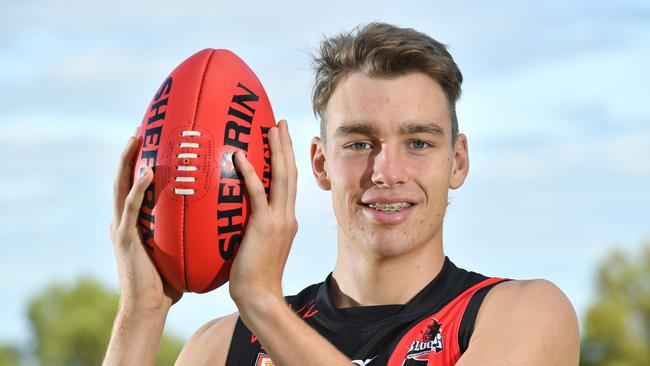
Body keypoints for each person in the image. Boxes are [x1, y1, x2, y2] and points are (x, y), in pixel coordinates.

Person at [104, 23, 579, 365]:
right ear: (319, 163)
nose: (386, 172)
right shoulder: (220, 347)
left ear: (457, 162)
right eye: (358, 144)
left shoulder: (522, 312)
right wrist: (141, 313)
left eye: (418, 142)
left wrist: (263, 304)